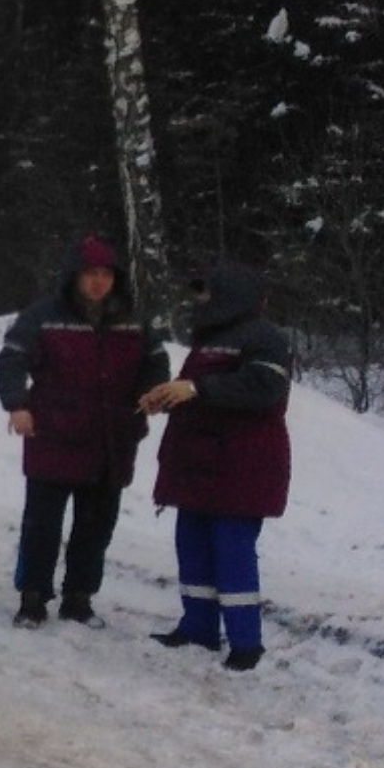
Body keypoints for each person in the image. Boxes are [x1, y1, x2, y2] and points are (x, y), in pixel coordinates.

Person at [0, 235, 168, 628]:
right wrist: (17, 404)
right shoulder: (43, 316)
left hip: (112, 440)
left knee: (96, 526)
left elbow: (156, 363)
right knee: (42, 525)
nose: (98, 282)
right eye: (90, 274)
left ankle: (79, 598)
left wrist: (150, 395)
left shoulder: (134, 320)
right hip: (54, 436)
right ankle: (32, 598)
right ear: (74, 277)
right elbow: (11, 360)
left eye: (105, 274)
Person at [139, 262, 293, 671]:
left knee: (232, 550)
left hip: (240, 465)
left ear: (231, 294)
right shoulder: (210, 340)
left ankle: (246, 643)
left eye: (205, 292)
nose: (199, 300)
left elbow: (264, 387)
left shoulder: (265, 338)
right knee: (192, 545)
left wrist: (194, 388)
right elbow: (200, 394)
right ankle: (198, 628)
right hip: (199, 463)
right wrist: (167, 397)